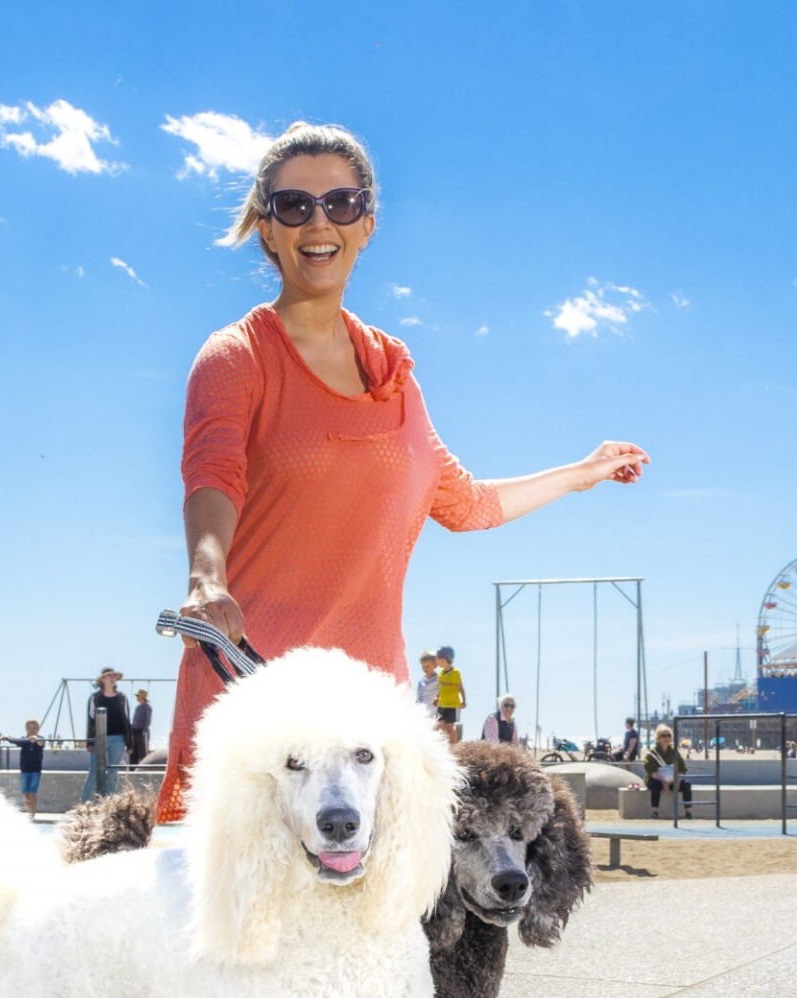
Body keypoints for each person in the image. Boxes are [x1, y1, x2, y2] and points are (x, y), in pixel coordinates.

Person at [157, 121, 650, 822]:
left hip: (370, 724)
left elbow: (467, 503)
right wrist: (206, 580)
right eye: (293, 206)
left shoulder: (395, 376)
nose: (318, 221)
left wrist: (582, 472)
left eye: (340, 203)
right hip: (254, 697)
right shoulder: (236, 356)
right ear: (267, 230)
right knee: (225, 921)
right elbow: (211, 476)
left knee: (377, 925)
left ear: (366, 224)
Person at [80, 668, 132, 802]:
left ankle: (109, 806)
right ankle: (82, 805)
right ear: (103, 679)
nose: (112, 677)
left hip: (118, 738)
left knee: (113, 773)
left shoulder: (122, 698)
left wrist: (129, 742)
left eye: (114, 675)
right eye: (109, 675)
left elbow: (126, 719)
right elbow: (90, 720)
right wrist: (89, 742)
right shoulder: (95, 698)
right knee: (93, 773)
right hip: (99, 738)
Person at [643, 725, 692, 818]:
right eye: (663, 735)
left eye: (668, 735)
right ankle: (655, 812)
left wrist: (678, 780)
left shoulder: (674, 752)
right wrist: (663, 781)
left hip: (672, 780)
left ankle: (688, 812)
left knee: (686, 784)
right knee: (656, 785)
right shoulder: (652, 753)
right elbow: (649, 770)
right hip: (657, 779)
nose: (666, 737)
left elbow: (682, 768)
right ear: (658, 737)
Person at [0, 719, 45, 818]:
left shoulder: (41, 738)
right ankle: (29, 811)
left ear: (38, 729)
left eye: (34, 728)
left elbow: (41, 743)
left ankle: (32, 814)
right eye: (29, 728)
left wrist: (36, 739)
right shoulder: (23, 740)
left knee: (33, 792)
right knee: (26, 793)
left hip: (36, 771)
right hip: (24, 771)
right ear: (26, 729)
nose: (32, 730)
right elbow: (15, 740)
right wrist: (8, 737)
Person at [434, 646, 465, 743]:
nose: (436, 660)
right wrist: (437, 697)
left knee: (450, 726)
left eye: (437, 658)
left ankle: (454, 747)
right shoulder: (440, 674)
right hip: (442, 704)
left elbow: (460, 687)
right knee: (439, 725)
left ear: (443, 659)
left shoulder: (455, 672)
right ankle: (442, 745)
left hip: (452, 704)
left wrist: (464, 700)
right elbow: (441, 688)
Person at [129, 689, 152, 766]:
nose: (137, 697)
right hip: (134, 732)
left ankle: (143, 769)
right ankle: (132, 770)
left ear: (142, 697)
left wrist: (144, 731)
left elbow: (147, 720)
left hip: (141, 733)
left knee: (142, 753)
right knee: (133, 753)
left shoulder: (147, 708)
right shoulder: (138, 707)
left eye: (138, 696)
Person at [415, 650, 440, 716]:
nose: (425, 669)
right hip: (424, 713)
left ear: (435, 665)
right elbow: (419, 697)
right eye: (423, 667)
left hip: (435, 713)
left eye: (427, 666)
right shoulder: (421, 682)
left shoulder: (438, 678)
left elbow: (443, 691)